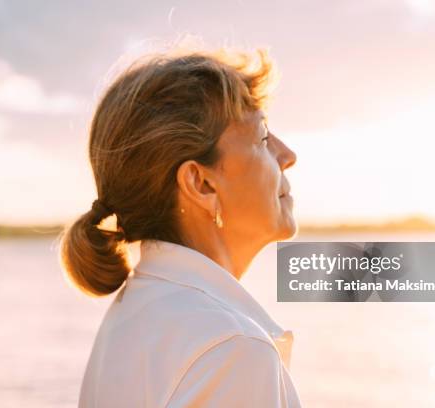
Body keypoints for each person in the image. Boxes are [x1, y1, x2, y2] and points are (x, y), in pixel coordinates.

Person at [59, 45, 301, 407]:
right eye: (263, 137)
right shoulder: (233, 349)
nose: (287, 156)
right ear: (201, 184)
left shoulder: (135, 314)